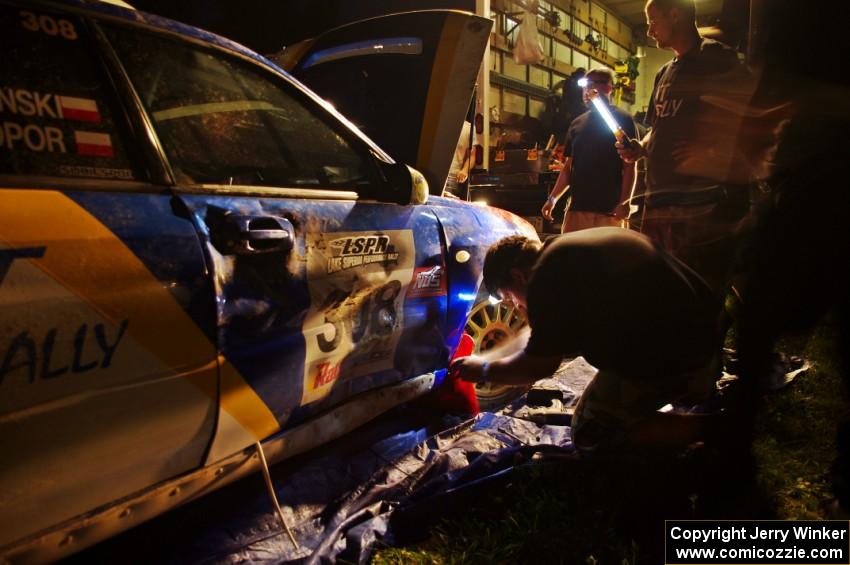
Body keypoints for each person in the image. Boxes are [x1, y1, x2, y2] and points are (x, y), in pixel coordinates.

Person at [450, 229, 722, 455]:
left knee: (591, 433)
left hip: (682, 354)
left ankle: (719, 429)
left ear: (519, 276)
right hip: (701, 335)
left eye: (509, 298)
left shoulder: (548, 280)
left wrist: (483, 371)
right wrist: (488, 357)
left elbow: (538, 365)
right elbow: (536, 340)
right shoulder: (562, 254)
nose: (514, 306)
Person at [616, 0, 758, 294]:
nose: (650, 30)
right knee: (663, 287)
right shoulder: (664, 72)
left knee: (702, 288)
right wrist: (640, 148)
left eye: (654, 21)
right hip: (659, 202)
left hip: (700, 205)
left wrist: (712, 151)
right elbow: (657, 128)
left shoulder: (717, 60)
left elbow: (750, 116)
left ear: (676, 15)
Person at [541, 68, 637, 233]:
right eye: (585, 85)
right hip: (577, 210)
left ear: (609, 87)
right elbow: (569, 167)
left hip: (608, 212)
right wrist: (552, 198)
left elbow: (629, 166)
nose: (587, 90)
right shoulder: (577, 124)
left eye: (594, 84)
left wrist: (624, 202)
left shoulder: (622, 120)